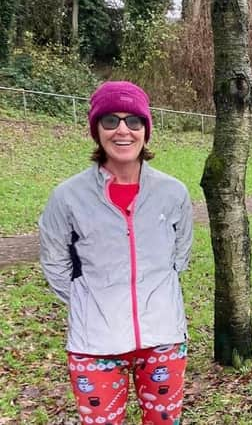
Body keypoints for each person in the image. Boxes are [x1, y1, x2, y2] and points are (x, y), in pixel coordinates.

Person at [39, 81, 193, 425]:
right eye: (111, 120)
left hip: (163, 339)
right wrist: (89, 298)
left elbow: (179, 256)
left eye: (133, 121)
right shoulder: (67, 197)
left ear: (146, 130)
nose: (123, 130)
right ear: (96, 128)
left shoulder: (174, 193)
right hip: (94, 344)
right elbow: (54, 262)